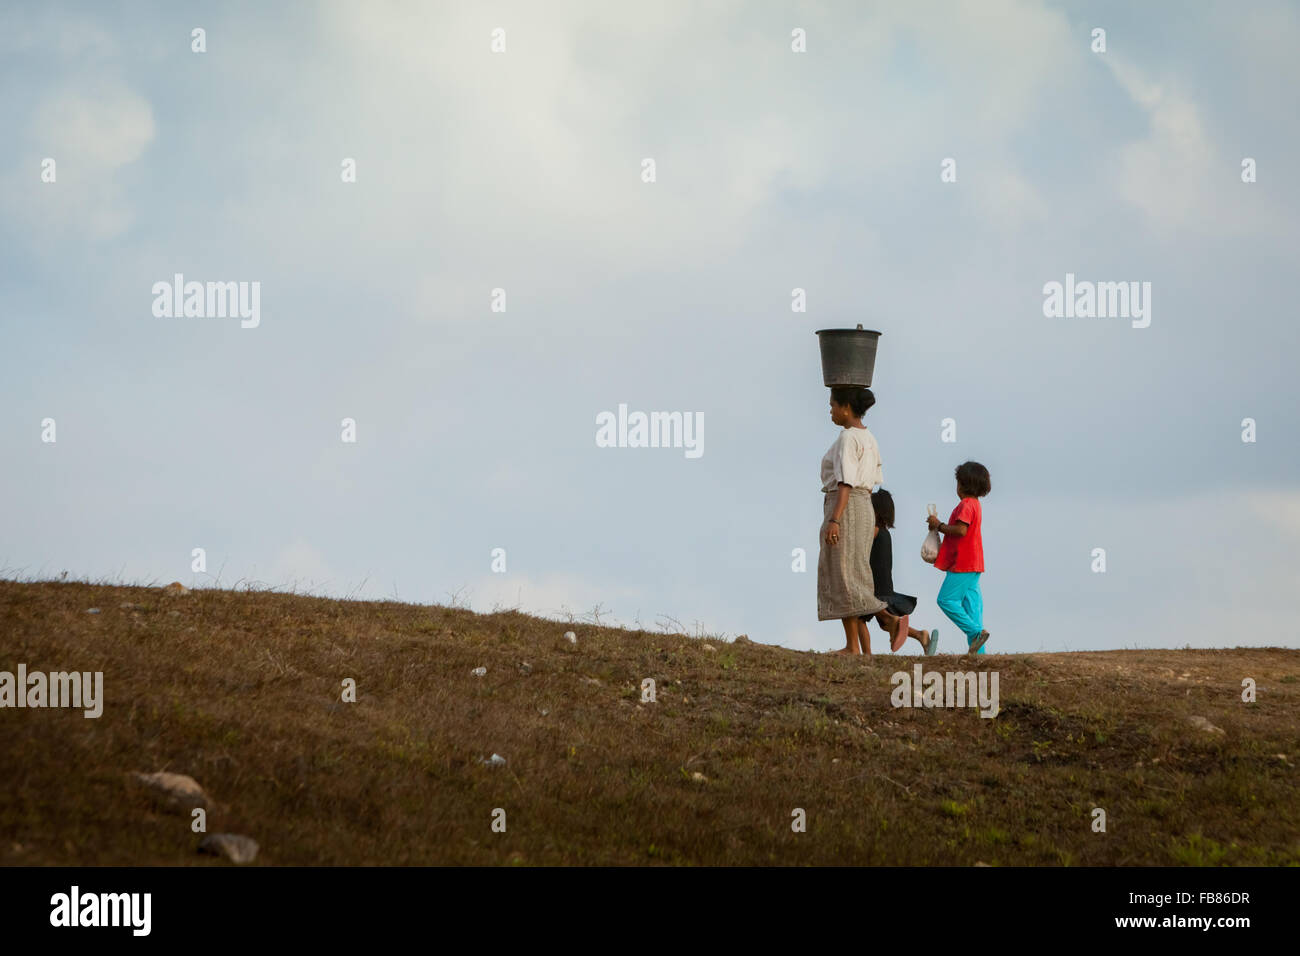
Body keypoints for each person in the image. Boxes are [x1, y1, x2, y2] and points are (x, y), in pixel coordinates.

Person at [818, 386, 887, 654]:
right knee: (852, 573)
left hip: (846, 505)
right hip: (864, 505)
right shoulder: (869, 437)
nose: (831, 410)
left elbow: (846, 481)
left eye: (833, 405)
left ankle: (883, 624)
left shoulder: (848, 437)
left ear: (846, 407)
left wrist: (835, 518)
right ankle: (856, 644)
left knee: (845, 573)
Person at [860, 489, 937, 654]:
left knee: (858, 617)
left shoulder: (874, 530)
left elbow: (860, 543)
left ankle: (866, 655)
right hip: (884, 585)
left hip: (875, 586)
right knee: (885, 624)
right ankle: (920, 635)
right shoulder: (885, 533)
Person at [927, 461, 991, 654]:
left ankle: (976, 633)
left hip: (963, 563)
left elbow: (961, 530)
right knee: (972, 608)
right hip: (975, 563)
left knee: (946, 600)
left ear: (962, 484)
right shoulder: (976, 505)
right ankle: (979, 654)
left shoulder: (965, 505)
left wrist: (939, 525)